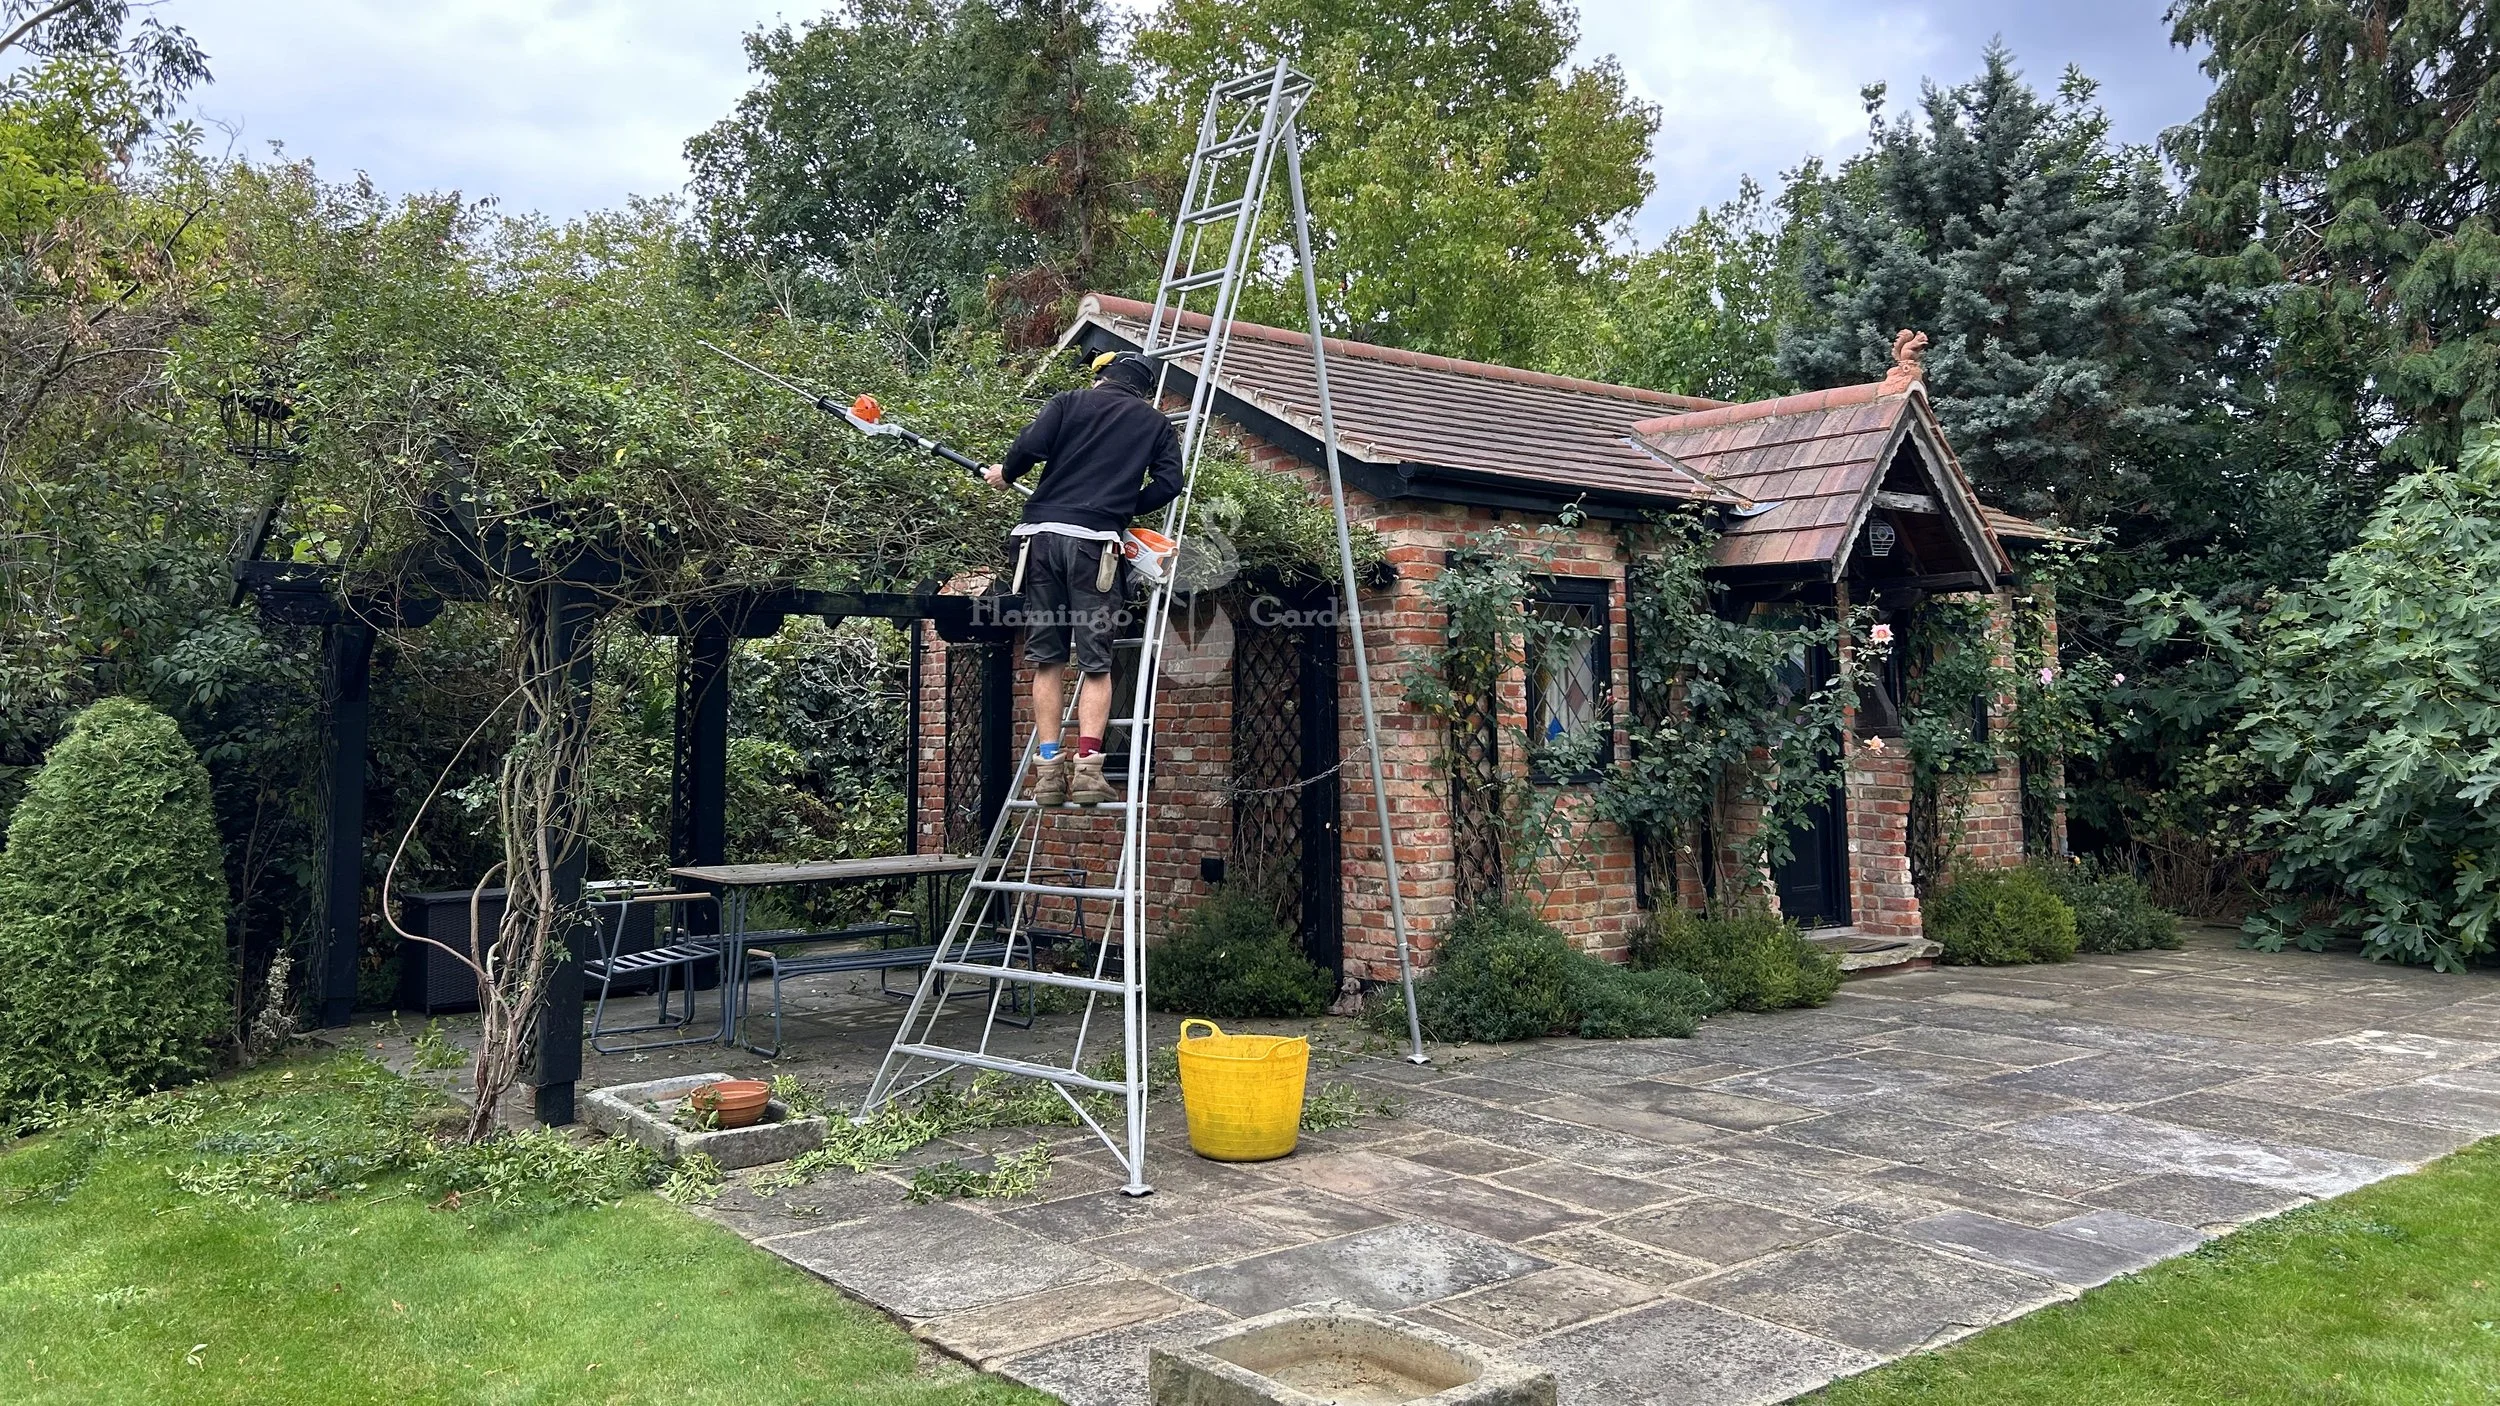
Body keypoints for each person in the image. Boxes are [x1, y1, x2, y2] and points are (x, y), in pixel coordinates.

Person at [986, 351, 1183, 806]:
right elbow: (1170, 484)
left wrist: (1006, 474)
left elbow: (1028, 447)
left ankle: (1050, 772)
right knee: (1096, 661)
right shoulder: (1156, 425)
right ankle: (1090, 771)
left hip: (1039, 540)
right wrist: (1120, 506)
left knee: (1047, 659)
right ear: (1142, 390)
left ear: (1102, 379)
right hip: (1095, 546)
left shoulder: (1068, 402)